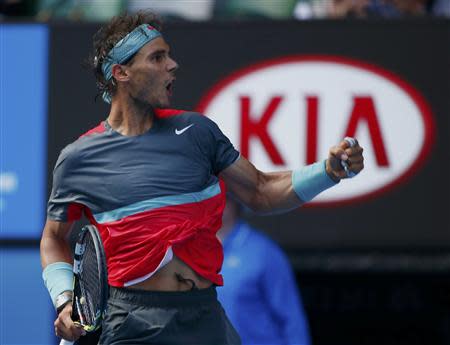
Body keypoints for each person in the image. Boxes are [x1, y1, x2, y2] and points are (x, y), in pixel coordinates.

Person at [40, 10, 364, 345]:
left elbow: (261, 191)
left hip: (205, 316)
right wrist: (65, 300)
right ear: (122, 72)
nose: (173, 65)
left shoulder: (198, 132)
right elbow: (53, 238)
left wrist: (327, 172)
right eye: (158, 57)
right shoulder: (79, 159)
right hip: (135, 323)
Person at [217, 197, 311, 345]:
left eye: (220, 197)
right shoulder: (188, 251)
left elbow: (291, 318)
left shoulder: (263, 251)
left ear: (234, 203)